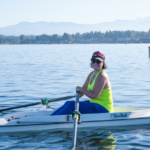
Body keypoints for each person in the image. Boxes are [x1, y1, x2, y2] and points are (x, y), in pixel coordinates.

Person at [51, 51, 113, 115]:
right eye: (93, 61)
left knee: (72, 105)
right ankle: (51, 118)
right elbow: (84, 89)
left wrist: (80, 89)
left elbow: (94, 96)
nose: (95, 63)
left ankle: (51, 121)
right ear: (91, 62)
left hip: (104, 108)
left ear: (103, 63)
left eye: (98, 61)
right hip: (95, 104)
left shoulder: (102, 76)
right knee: (68, 102)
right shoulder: (91, 74)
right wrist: (79, 93)